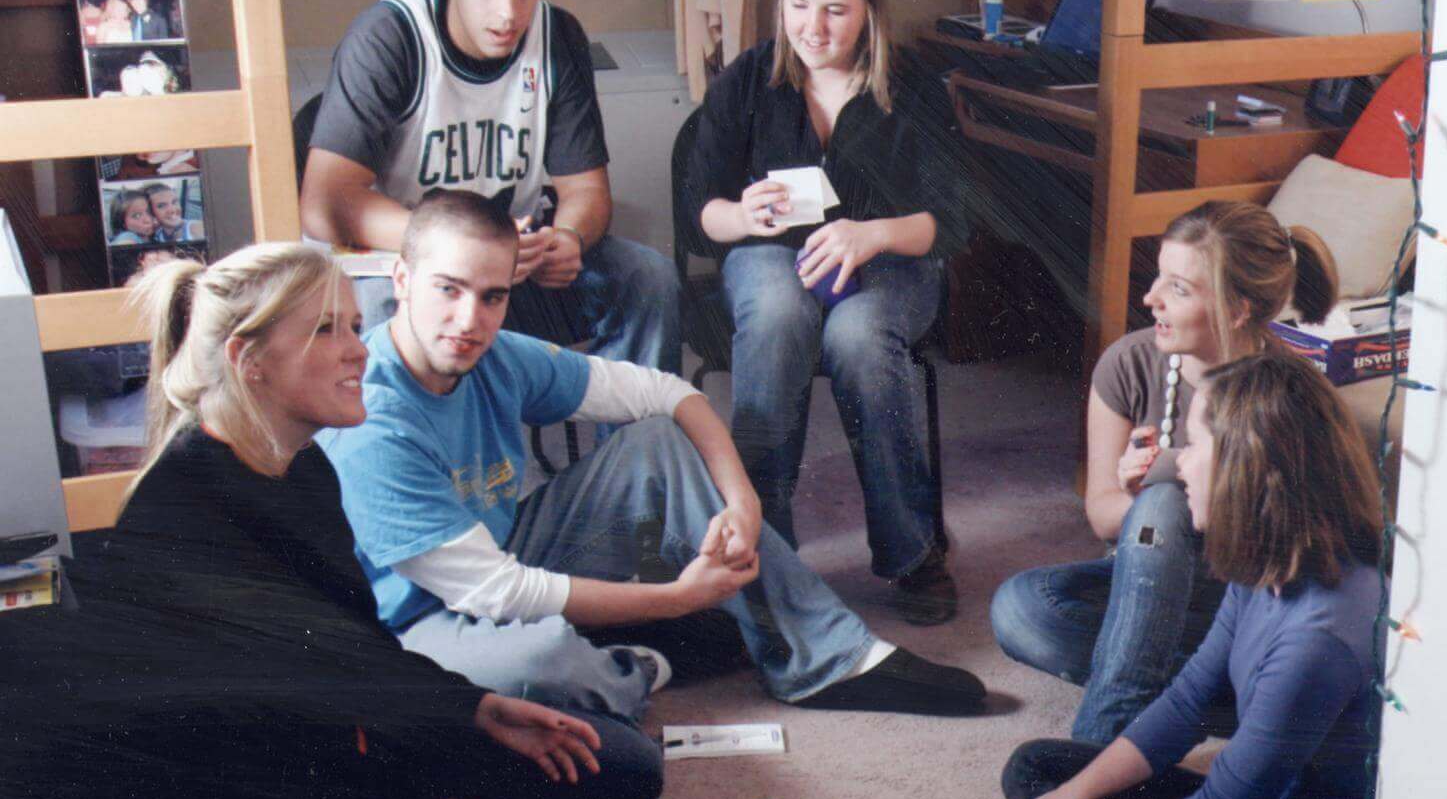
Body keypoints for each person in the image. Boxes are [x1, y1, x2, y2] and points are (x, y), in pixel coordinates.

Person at [101, 242, 660, 799]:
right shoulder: (186, 532)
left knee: (621, 769)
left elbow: (356, 655)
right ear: (248, 359)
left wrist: (476, 709)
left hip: (349, 762)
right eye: (328, 330)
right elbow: (267, 768)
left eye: (356, 326)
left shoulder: (296, 462)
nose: (361, 351)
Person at [317, 189, 986, 728]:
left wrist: (741, 499)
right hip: (410, 622)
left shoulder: (493, 352)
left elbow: (666, 393)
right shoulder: (371, 418)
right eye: (448, 289)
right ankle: (643, 660)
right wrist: (669, 601)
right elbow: (493, 591)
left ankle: (833, 658)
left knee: (654, 440)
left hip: (504, 545)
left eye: (492, 296)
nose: (470, 319)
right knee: (547, 664)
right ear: (400, 280)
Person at [1000, 348, 1384, 799]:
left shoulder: (1320, 637)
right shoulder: (1262, 564)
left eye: (1196, 444)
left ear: (1248, 472)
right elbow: (1182, 707)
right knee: (1038, 771)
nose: (1179, 460)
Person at [679, 0, 967, 626]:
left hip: (889, 260)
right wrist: (743, 216)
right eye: (799, 6)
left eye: (836, 10)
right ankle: (761, 548)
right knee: (778, 316)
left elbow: (950, 223)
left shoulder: (913, 86)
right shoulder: (749, 79)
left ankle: (912, 551)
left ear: (869, 10)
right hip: (768, 254)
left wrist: (871, 234)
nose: (814, 27)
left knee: (859, 338)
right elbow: (699, 214)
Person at [989, 201, 1339, 745]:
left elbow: (1292, 551)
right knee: (1020, 608)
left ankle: (1101, 742)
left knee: (1164, 503)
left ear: (1237, 308)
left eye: (1178, 288)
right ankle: (1208, 695)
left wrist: (1165, 486)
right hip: (1146, 580)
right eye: (1159, 277)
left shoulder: (1283, 391)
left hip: (1238, 600)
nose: (1150, 297)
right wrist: (1136, 497)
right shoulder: (1127, 365)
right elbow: (1103, 517)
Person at [300, 0, 682, 374]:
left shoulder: (557, 36)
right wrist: (460, 248)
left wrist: (567, 237)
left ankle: (634, 445)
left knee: (647, 278)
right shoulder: (388, 37)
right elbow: (324, 204)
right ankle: (416, 450)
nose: (507, 14)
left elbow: (586, 190)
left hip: (513, 262)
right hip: (405, 258)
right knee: (379, 313)